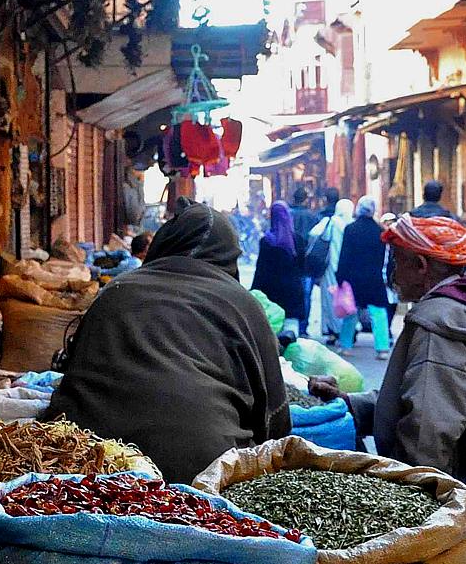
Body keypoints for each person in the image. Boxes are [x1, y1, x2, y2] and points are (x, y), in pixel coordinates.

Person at [311, 216, 466, 564]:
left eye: (398, 261)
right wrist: (355, 404)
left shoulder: (438, 324)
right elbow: (419, 395)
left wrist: (408, 509)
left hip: (458, 494)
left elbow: (427, 430)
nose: (392, 272)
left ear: (421, 266)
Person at [43, 203, 290, 484]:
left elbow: (72, 375)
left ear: (164, 243)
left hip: (85, 468)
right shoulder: (244, 305)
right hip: (204, 475)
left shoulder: (115, 291)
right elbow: (276, 421)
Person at [335, 196, 393, 359]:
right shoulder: (380, 231)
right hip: (374, 277)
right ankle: (382, 348)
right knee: (379, 313)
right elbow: (383, 257)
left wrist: (340, 277)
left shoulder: (351, 229)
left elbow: (344, 256)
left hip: (354, 278)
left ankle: (346, 345)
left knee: (351, 313)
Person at [250, 201, 306, 336]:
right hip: (292, 291)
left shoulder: (267, 241)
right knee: (291, 331)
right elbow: (302, 267)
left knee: (273, 330)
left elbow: (261, 270)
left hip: (271, 292)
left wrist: (254, 291)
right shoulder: (297, 240)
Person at [308, 197, 354, 344]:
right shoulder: (352, 224)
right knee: (348, 300)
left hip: (330, 268)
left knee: (330, 301)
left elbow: (314, 233)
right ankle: (347, 331)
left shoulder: (331, 222)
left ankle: (333, 331)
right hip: (348, 268)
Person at [288, 187, 318, 335]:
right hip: (307, 262)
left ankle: (293, 323)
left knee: (292, 293)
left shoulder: (288, 215)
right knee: (306, 295)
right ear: (306, 199)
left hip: (290, 261)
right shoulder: (312, 217)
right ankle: (303, 326)